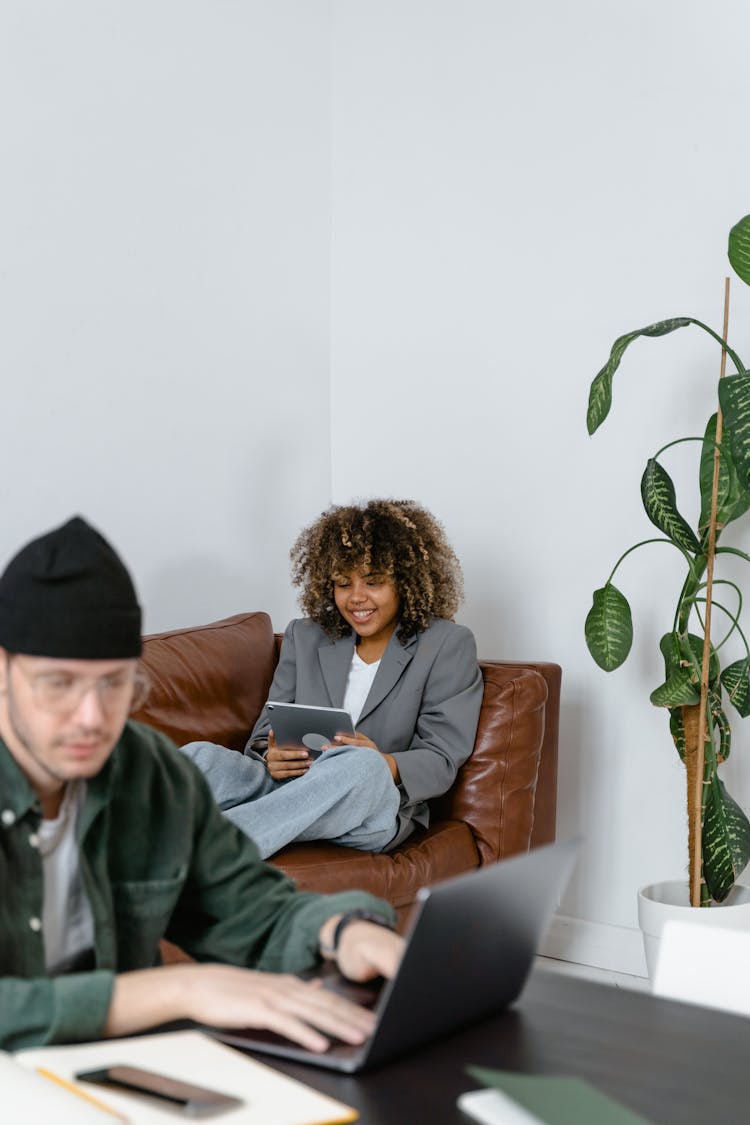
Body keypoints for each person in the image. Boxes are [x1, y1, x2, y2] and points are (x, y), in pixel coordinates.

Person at [0, 516, 402, 1051]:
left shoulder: (148, 773)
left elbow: (252, 910)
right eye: (59, 685)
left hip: (120, 1071)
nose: (93, 718)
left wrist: (343, 931)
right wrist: (180, 989)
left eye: (114, 684)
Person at [181, 499, 483, 859]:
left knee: (362, 766)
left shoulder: (447, 644)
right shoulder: (305, 636)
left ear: (405, 582)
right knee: (200, 757)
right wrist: (270, 757)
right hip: (288, 786)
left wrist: (385, 762)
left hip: (371, 805)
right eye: (343, 583)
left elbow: (442, 758)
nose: (356, 597)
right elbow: (263, 736)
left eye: (373, 581)